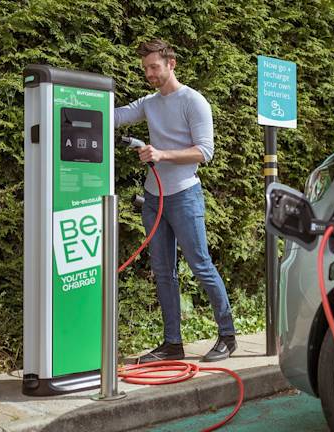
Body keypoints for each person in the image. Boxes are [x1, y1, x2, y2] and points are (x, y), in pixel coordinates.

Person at [115, 39, 237, 363]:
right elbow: (116, 116)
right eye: (146, 69)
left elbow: (205, 151)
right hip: (154, 200)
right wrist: (72, 103)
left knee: (201, 266)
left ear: (172, 64)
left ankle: (227, 336)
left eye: (154, 67)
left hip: (184, 196)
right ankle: (172, 344)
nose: (149, 74)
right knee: (162, 271)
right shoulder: (149, 103)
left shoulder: (193, 102)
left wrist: (162, 153)